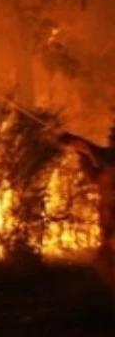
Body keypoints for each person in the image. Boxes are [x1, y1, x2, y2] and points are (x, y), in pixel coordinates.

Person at [60, 127, 115, 296]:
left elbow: (98, 153)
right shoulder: (106, 170)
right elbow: (93, 173)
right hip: (108, 223)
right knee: (104, 261)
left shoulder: (109, 160)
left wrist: (76, 142)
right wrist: (81, 153)